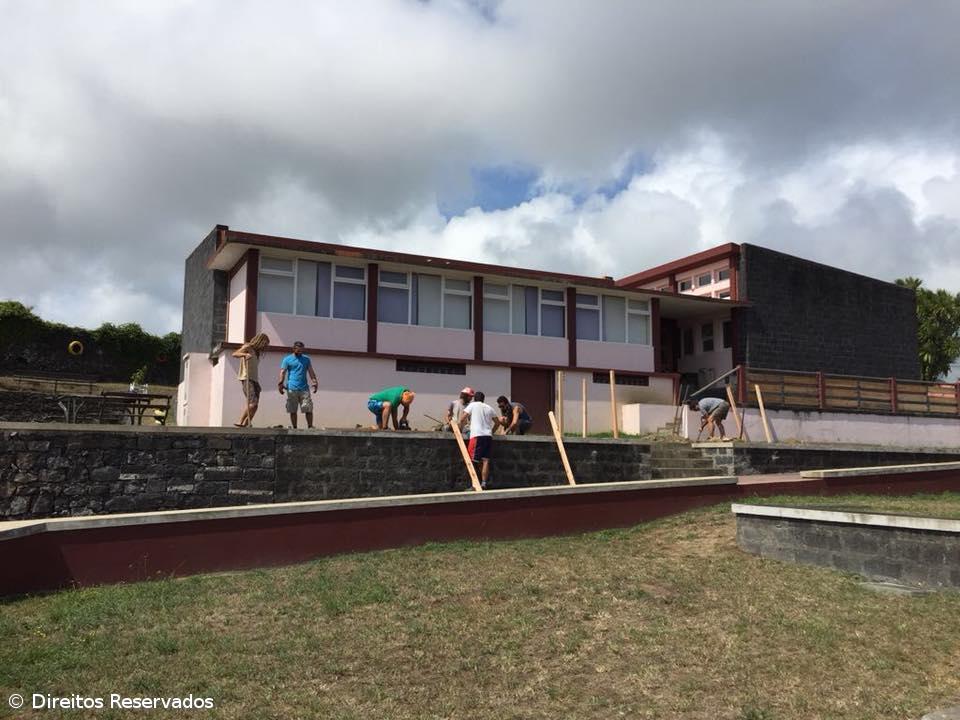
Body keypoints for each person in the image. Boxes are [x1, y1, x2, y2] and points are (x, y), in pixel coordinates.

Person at [459, 391, 502, 489]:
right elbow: (498, 422)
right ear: (483, 399)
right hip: (488, 436)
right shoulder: (489, 407)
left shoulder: (473, 405)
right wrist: (491, 431)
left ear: (475, 398)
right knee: (485, 461)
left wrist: (459, 429)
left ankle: (474, 485)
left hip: (477, 436)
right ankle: (483, 484)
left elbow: (462, 418)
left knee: (472, 461)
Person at [232, 332, 270, 427]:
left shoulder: (257, 352)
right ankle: (240, 421)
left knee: (255, 405)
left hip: (254, 379)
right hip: (247, 378)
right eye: (265, 344)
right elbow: (235, 354)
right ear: (260, 341)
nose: (265, 347)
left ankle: (247, 422)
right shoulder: (248, 347)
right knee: (252, 403)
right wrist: (244, 355)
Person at [278, 341, 319, 429]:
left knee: (308, 408)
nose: (300, 351)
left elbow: (311, 371)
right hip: (292, 388)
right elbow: (283, 372)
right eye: (298, 349)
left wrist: (314, 381)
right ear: (294, 349)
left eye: (302, 350)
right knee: (293, 409)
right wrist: (280, 383)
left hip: (304, 388)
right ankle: (295, 427)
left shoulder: (306, 359)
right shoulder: (287, 359)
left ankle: (310, 426)